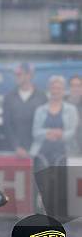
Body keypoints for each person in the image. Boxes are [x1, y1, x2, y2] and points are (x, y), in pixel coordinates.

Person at [31, 75, 78, 219]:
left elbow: (72, 131)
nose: (56, 91)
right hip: (42, 153)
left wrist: (60, 134)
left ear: (64, 91)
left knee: (60, 187)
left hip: (63, 153)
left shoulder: (71, 109)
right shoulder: (41, 110)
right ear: (49, 90)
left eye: (59, 88)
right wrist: (48, 133)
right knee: (42, 187)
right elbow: (35, 131)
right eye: (53, 88)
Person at [2, 63, 47, 157]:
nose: (16, 77)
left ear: (29, 75)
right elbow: (7, 125)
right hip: (15, 152)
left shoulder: (41, 97)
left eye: (19, 74)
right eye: (16, 74)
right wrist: (16, 147)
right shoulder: (9, 98)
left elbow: (45, 125)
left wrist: (36, 147)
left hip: (38, 151)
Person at [66, 75, 82, 154]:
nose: (76, 89)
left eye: (79, 86)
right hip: (67, 149)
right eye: (73, 86)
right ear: (69, 88)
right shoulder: (62, 104)